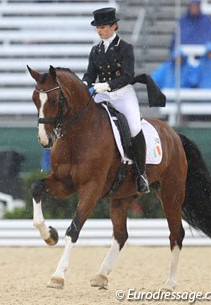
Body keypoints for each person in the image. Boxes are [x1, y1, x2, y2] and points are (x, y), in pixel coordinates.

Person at [82, 7, 149, 193]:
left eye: (103, 26)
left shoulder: (125, 48)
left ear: (114, 26)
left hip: (123, 94)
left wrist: (106, 86)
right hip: (102, 94)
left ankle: (141, 173)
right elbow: (90, 74)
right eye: (97, 27)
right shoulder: (95, 50)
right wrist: (84, 83)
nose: (100, 30)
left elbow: (128, 75)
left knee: (135, 127)